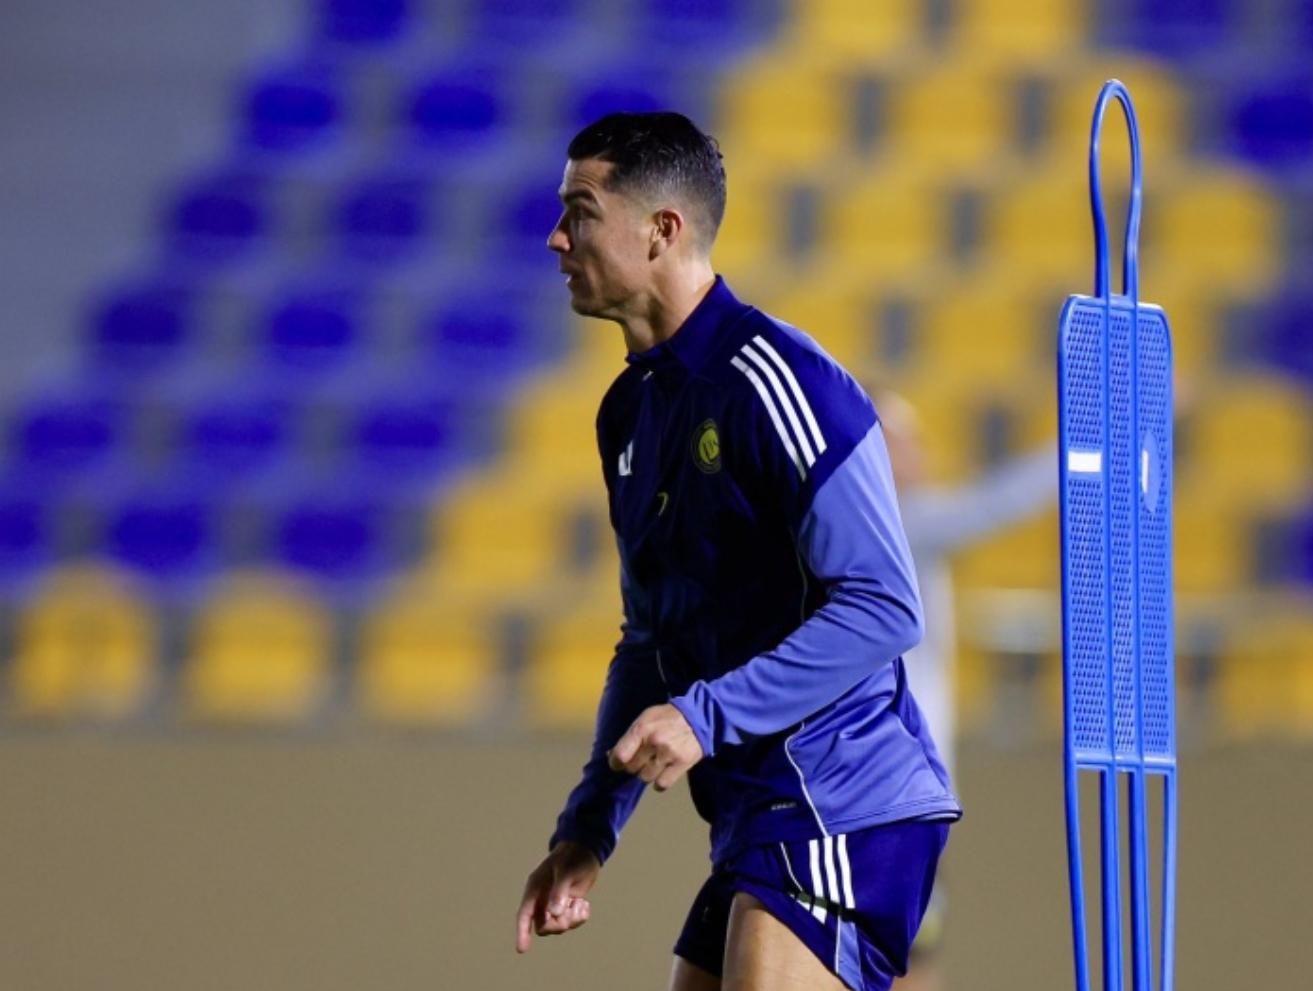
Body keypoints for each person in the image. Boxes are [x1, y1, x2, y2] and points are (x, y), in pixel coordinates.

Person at [514, 112, 961, 991]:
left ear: (661, 230)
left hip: (843, 801)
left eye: (580, 211)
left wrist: (703, 716)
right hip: (758, 815)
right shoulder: (627, 415)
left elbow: (884, 605)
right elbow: (651, 641)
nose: (556, 236)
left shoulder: (783, 382)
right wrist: (588, 828)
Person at [878, 391, 1058, 991]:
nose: (915, 450)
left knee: (915, 957)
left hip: (912, 800)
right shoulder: (892, 526)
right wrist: (1086, 448)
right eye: (897, 437)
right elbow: (991, 506)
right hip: (894, 801)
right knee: (901, 964)